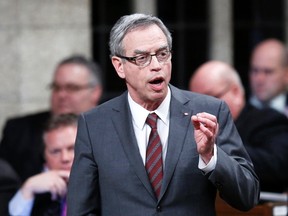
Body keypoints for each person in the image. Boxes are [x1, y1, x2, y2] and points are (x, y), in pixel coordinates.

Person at [67, 13, 259, 215]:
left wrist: (211, 157)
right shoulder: (94, 124)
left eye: (162, 54)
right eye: (142, 58)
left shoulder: (209, 111)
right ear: (119, 66)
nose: (156, 65)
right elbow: (81, 209)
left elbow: (248, 196)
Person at [0, 54, 103, 183]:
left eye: (72, 88)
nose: (61, 95)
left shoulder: (114, 128)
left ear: (95, 92)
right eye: (56, 87)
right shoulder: (19, 131)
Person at [189, 60, 288, 193]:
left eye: (210, 98)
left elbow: (277, 164)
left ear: (235, 92)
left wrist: (216, 146)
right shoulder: (192, 126)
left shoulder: (268, 120)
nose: (201, 108)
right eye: (196, 102)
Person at [9, 113, 78, 216]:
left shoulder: (104, 186)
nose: (65, 158)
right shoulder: (38, 192)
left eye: (72, 148)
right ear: (44, 158)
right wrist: (28, 188)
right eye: (55, 151)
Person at [249, 38, 288, 117]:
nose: (259, 79)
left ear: (286, 74)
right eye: (255, 71)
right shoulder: (237, 114)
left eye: (268, 72)